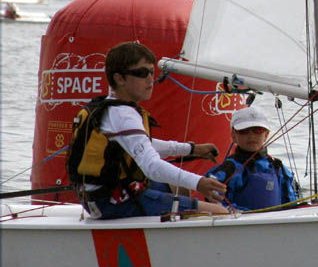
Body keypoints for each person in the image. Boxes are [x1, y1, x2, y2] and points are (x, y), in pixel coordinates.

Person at [67, 41, 229, 219]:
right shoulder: (123, 115)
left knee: (179, 187)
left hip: (100, 195)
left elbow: (143, 144)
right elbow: (152, 166)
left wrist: (191, 149)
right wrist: (199, 182)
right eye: (142, 73)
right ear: (119, 79)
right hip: (111, 202)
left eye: (152, 72)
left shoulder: (111, 108)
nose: (151, 79)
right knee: (220, 213)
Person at [205, 107, 298, 212]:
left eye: (258, 130)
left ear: (266, 135)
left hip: (275, 221)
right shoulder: (225, 172)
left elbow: (292, 206)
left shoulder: (279, 169)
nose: (251, 136)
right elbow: (215, 203)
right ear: (233, 136)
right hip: (239, 221)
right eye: (244, 131)